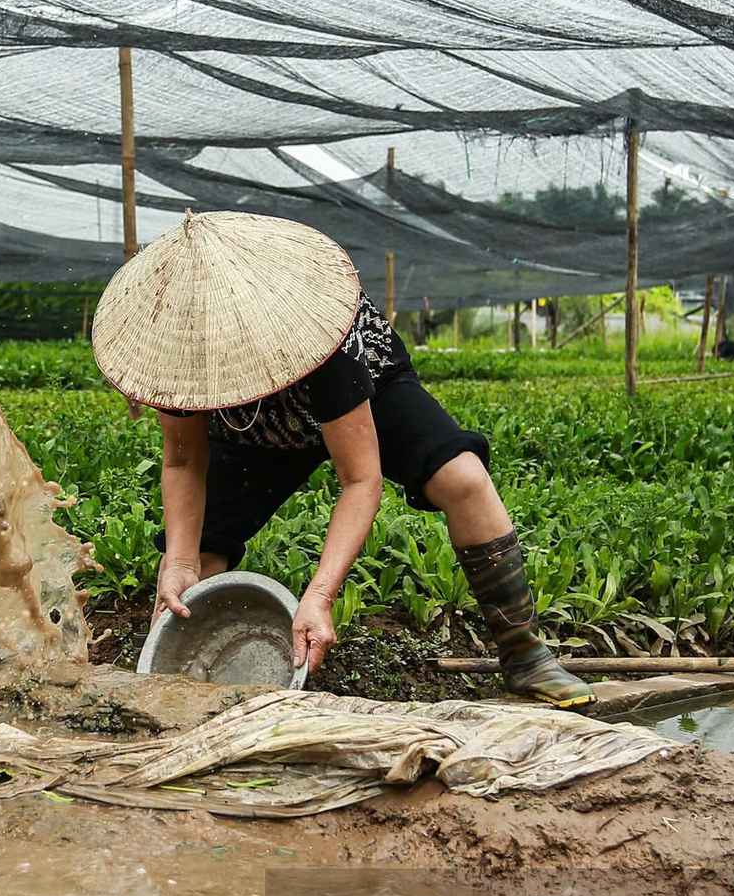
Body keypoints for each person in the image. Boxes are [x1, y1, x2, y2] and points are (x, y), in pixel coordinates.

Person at [89, 210, 592, 708]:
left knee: (462, 479)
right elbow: (183, 463)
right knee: (195, 562)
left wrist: (320, 596)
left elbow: (359, 479)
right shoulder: (176, 352)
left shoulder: (325, 333)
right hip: (248, 427)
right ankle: (196, 691)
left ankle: (525, 656)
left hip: (362, 392)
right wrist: (177, 562)